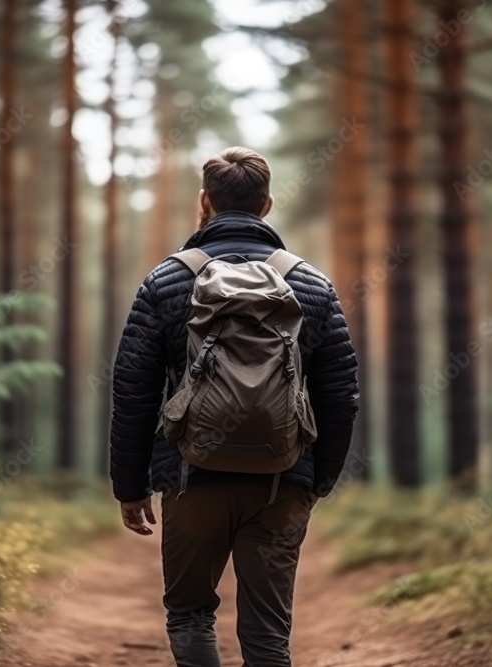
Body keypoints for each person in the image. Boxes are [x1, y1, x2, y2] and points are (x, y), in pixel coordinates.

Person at [109, 146, 360, 667]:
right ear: (267, 204)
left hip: (190, 473)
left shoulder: (167, 281)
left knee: (191, 613)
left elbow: (133, 388)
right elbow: (340, 393)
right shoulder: (311, 285)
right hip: (282, 479)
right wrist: (320, 478)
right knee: (268, 630)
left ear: (206, 201)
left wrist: (130, 487)